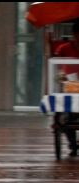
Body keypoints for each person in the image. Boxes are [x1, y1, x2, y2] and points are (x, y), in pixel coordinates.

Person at [54, 20, 79, 156]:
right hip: (70, 87)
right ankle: (73, 144)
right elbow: (57, 69)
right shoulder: (63, 48)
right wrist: (61, 76)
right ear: (74, 34)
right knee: (66, 116)